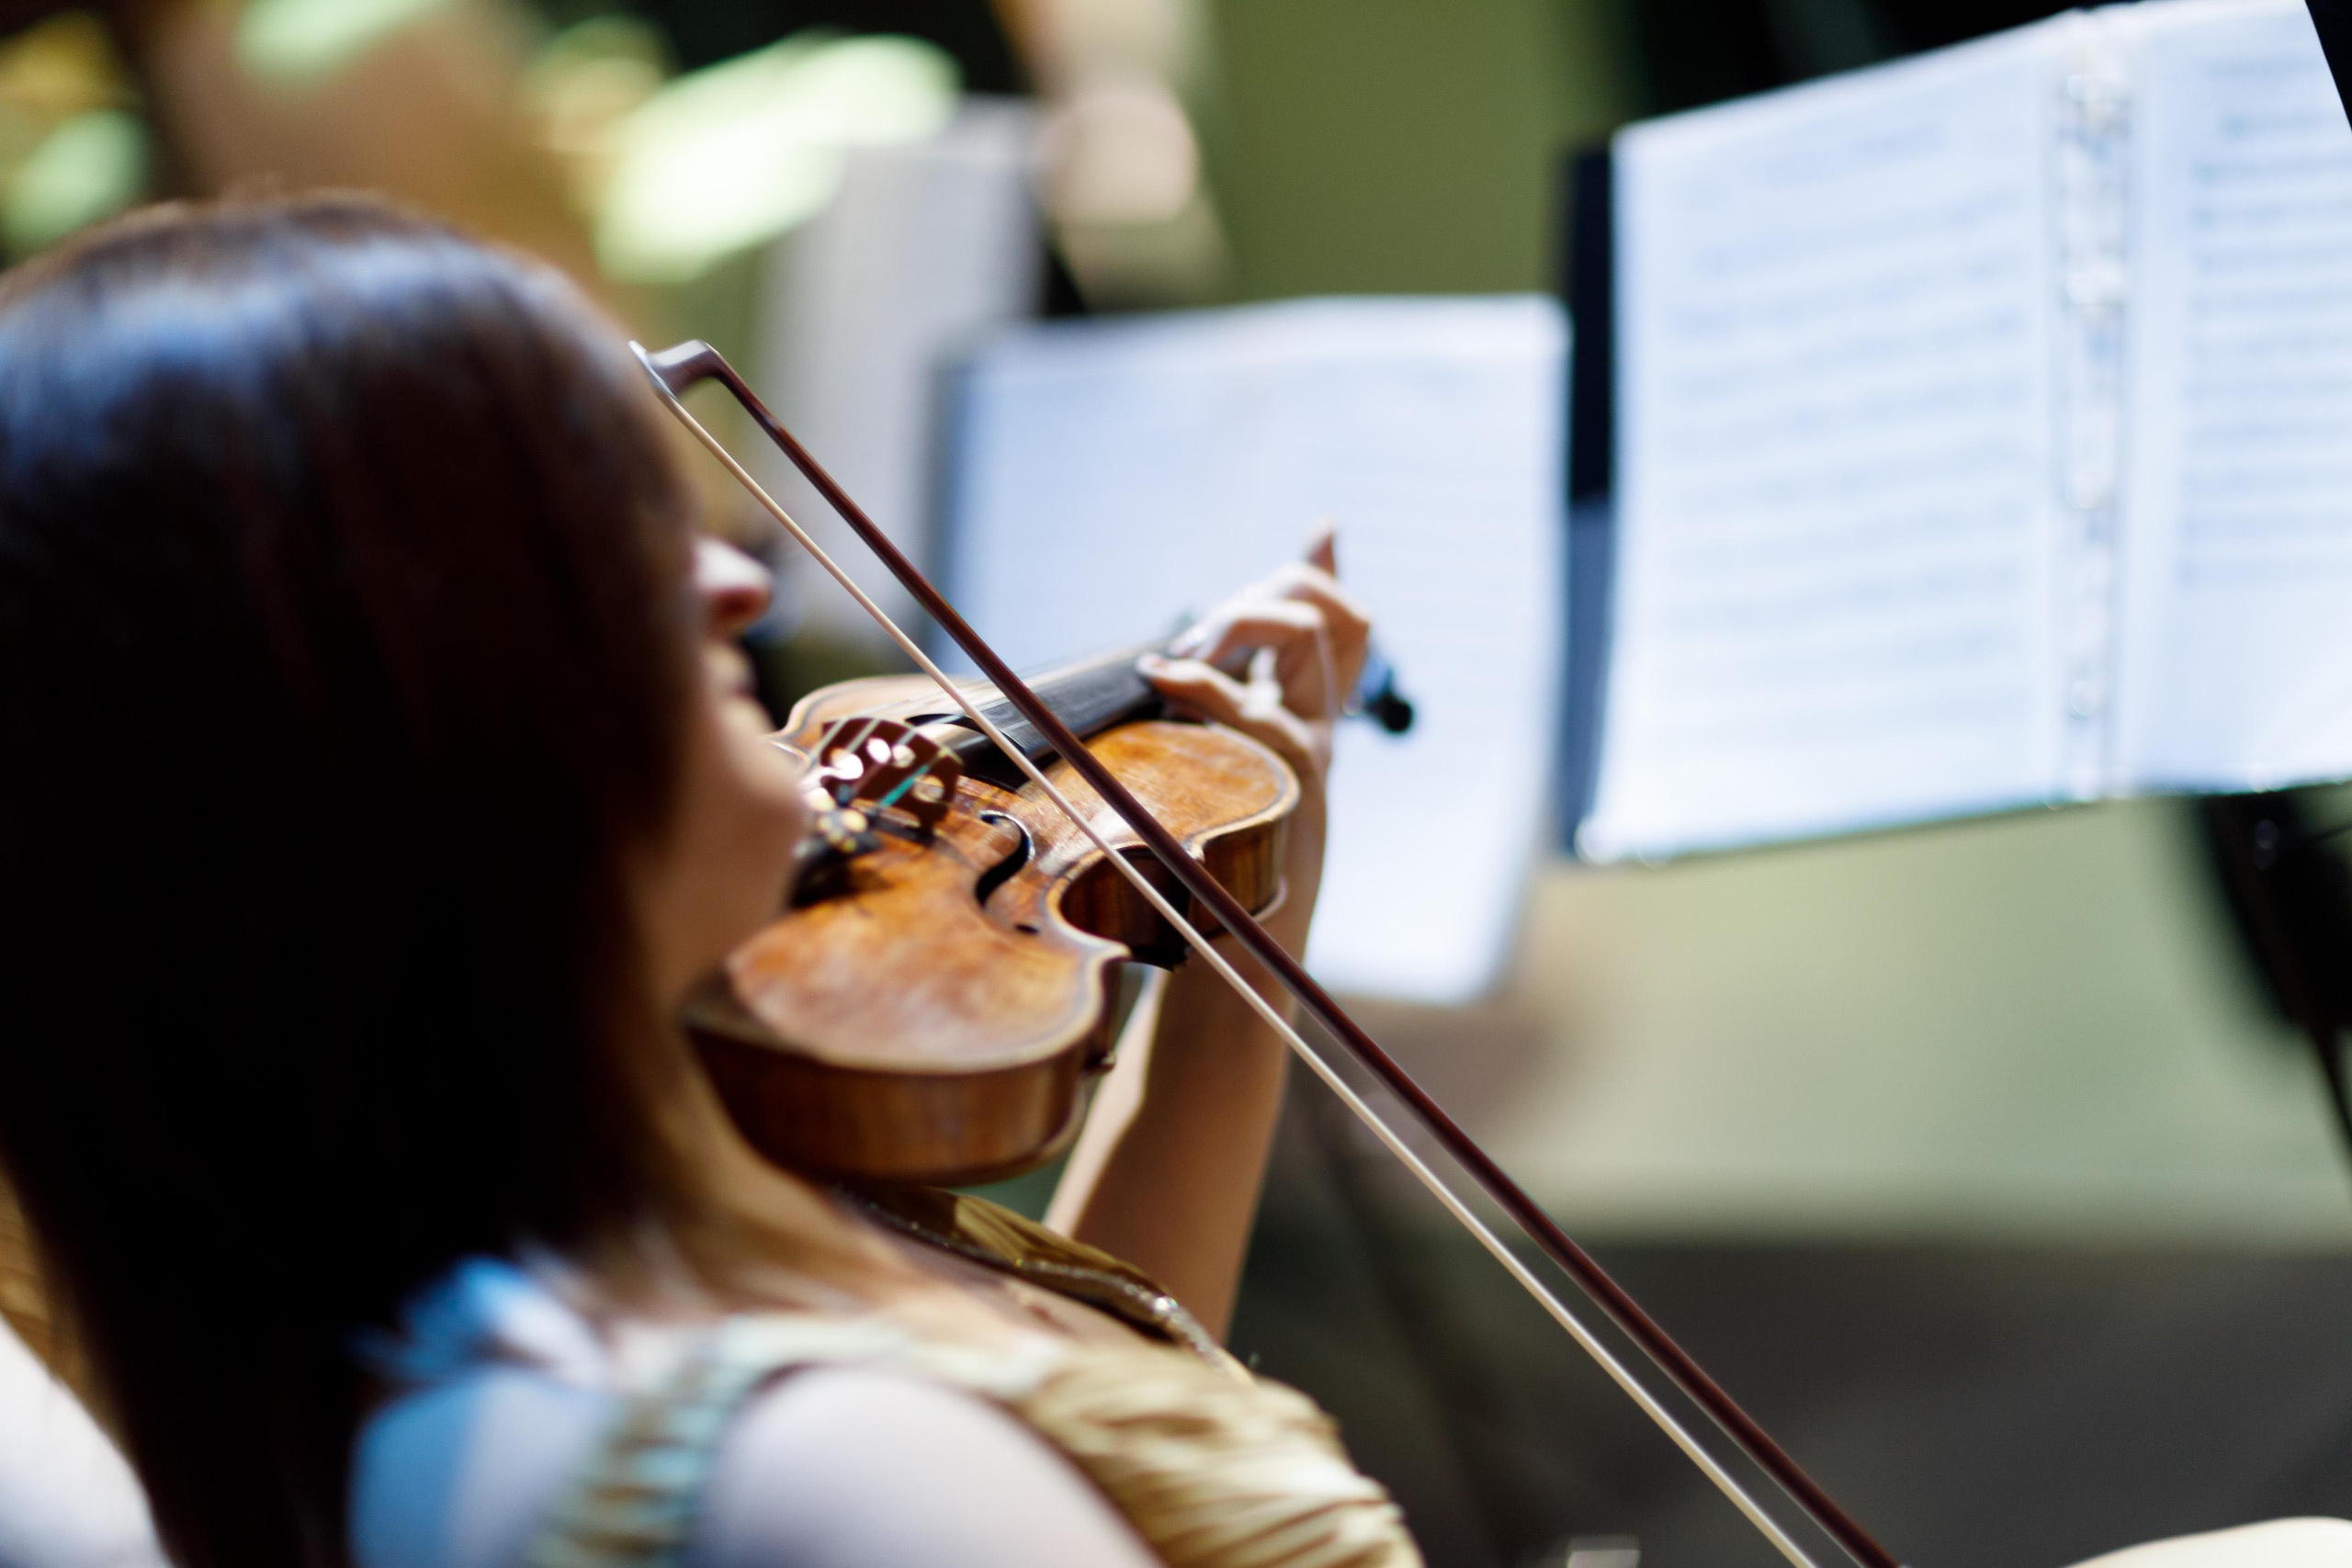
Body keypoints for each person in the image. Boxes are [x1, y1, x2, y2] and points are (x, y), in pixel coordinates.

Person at [0, 192, 1414, 1568]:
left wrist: (1234, 993)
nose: (738, 586)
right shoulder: (808, 1470)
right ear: (403, 698)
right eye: (598, 524)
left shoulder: (545, 1293)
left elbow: (1129, 1443)